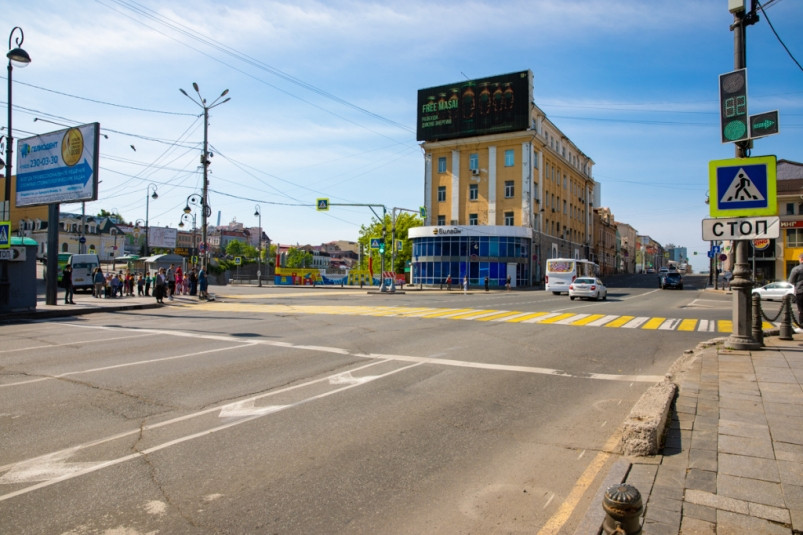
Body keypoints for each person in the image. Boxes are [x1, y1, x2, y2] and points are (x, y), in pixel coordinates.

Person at [788, 253, 803, 323]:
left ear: (801, 259)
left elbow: (791, 281)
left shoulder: (796, 269)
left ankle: (802, 326)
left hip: (800, 292)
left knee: (801, 310)